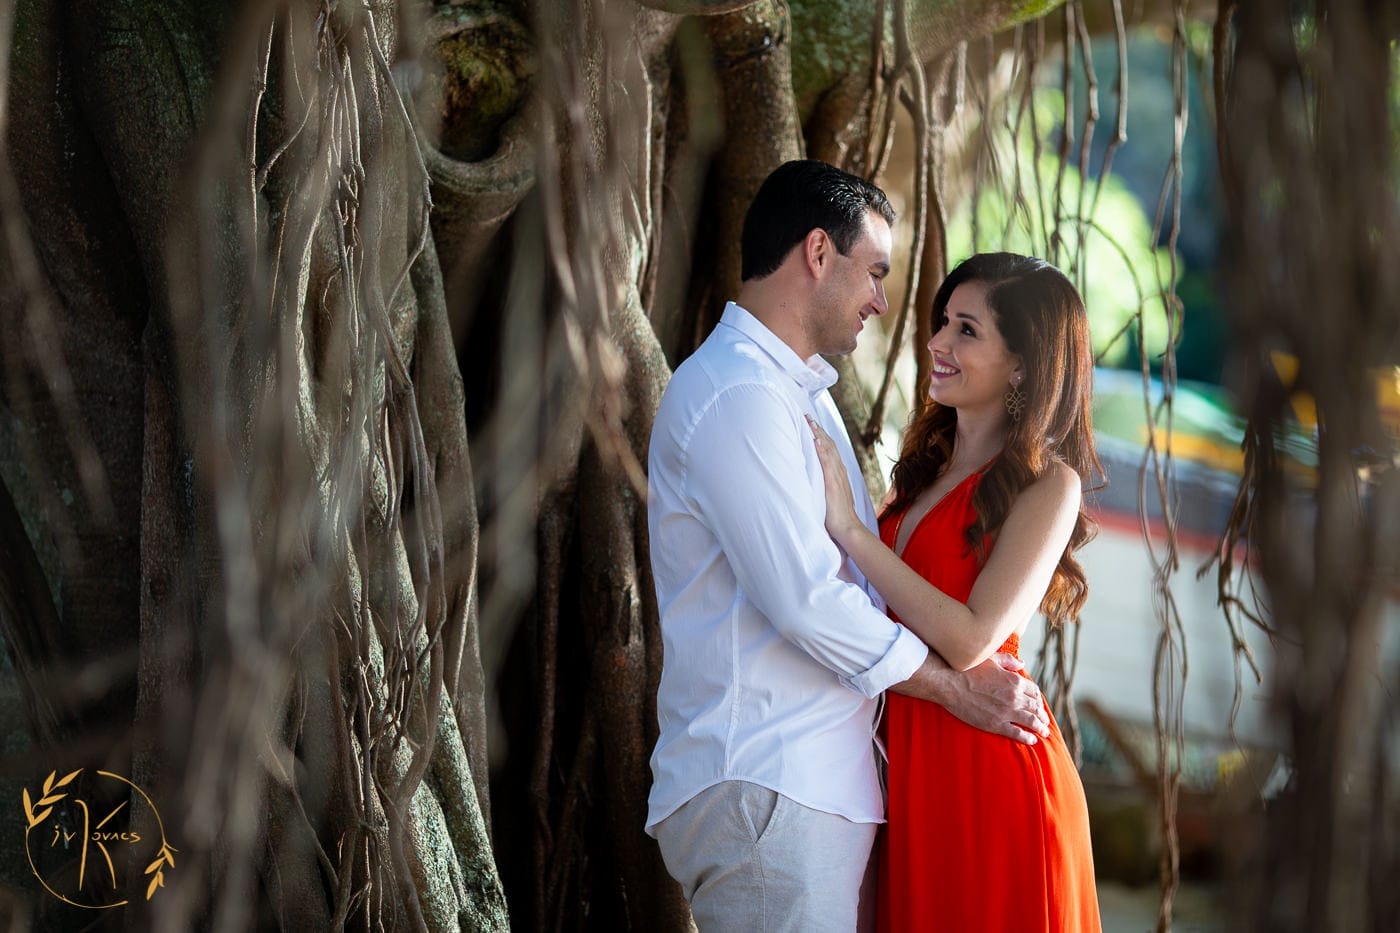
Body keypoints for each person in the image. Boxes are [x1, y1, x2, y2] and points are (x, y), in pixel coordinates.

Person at [644, 161, 1051, 932]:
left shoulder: (799, 392)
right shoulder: (740, 394)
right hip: (768, 782)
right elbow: (807, 600)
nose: (882, 300)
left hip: (810, 788)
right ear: (817, 252)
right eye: (875, 271)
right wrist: (954, 687)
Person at [806, 251, 1104, 931]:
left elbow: (972, 638)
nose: (937, 342)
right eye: (943, 322)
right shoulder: (921, 472)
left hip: (991, 774)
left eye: (966, 330)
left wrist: (851, 530)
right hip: (914, 774)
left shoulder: (1049, 486)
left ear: (1022, 364)